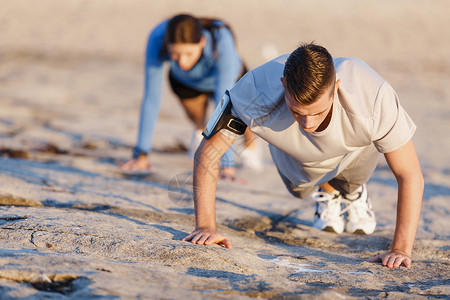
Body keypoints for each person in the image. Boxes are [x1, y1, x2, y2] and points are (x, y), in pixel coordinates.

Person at [183, 43, 424, 269]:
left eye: (318, 111)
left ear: (336, 87)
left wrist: (401, 249)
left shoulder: (372, 94)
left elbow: (409, 174)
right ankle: (326, 190)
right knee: (299, 189)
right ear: (283, 84)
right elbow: (207, 154)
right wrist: (205, 226)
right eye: (297, 112)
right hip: (294, 159)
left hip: (352, 153)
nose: (308, 123)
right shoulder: (256, 88)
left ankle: (352, 194)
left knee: (356, 169)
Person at [120, 14, 262, 177]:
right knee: (198, 121)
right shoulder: (157, 38)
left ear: (202, 41)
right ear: (167, 44)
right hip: (187, 84)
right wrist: (141, 156)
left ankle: (250, 145)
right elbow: (151, 99)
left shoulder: (220, 37)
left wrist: (227, 166)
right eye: (175, 54)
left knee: (243, 121)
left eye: (188, 54)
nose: (182, 62)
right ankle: (200, 135)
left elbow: (223, 104)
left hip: (231, 80)